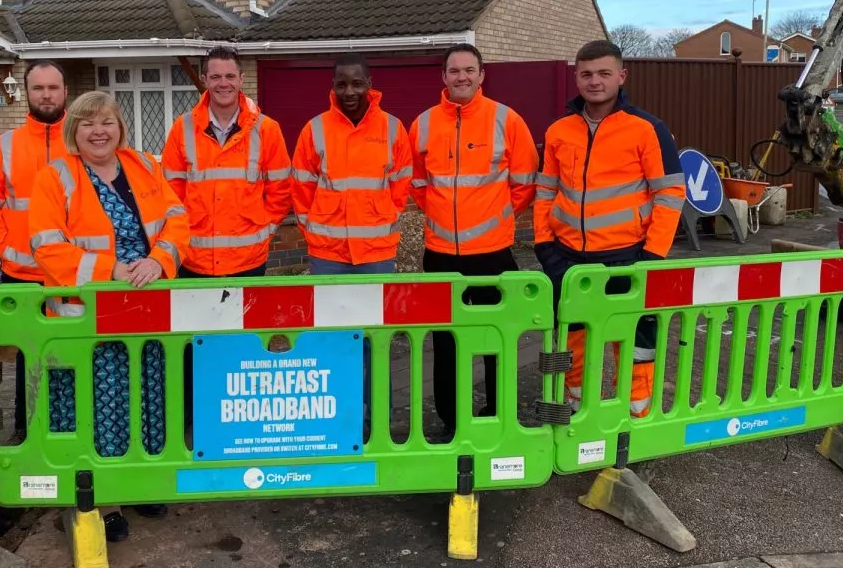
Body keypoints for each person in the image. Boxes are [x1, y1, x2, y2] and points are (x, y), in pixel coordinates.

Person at [29, 91, 189, 543]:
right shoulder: (55, 176)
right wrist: (110, 270)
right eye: (87, 124)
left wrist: (160, 259)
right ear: (72, 131)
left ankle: (140, 483)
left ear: (120, 127)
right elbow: (47, 245)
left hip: (144, 306)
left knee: (147, 396)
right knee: (99, 407)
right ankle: (102, 498)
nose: (99, 131)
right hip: (87, 316)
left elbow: (178, 218)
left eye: (107, 122)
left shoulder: (144, 167)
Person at [533, 39, 685, 417]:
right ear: (576, 78)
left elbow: (670, 194)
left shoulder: (649, 129)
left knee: (634, 342)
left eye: (603, 73)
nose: (595, 81)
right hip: (568, 260)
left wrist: (651, 256)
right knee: (571, 341)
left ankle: (634, 418)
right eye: (586, 74)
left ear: (622, 75)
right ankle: (572, 416)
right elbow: (545, 191)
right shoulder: (558, 131)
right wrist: (543, 246)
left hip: (628, 257)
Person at [408, 43, 538, 436]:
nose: (461, 77)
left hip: (493, 255)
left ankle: (498, 413)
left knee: (496, 340)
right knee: (446, 344)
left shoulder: (506, 120)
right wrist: (440, 216)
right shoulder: (424, 124)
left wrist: (496, 219)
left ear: (482, 75)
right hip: (441, 254)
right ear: (443, 77)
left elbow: (525, 182)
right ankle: (452, 419)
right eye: (454, 70)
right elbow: (417, 183)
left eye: (469, 70)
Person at [0, 59, 68, 437]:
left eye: (53, 88)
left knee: (70, 355)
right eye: (38, 88)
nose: (46, 95)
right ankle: (24, 432)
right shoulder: (3, 147)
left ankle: (67, 431)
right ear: (25, 93)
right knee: (26, 359)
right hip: (21, 275)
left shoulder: (82, 141)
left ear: (65, 92)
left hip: (71, 276)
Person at [161, 45, 291, 279]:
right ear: (205, 80)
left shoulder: (267, 130)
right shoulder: (182, 128)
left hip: (248, 260)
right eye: (216, 77)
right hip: (193, 258)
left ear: (241, 79)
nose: (224, 83)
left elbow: (281, 193)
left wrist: (263, 230)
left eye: (230, 76)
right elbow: (170, 193)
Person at [292, 53, 412, 276]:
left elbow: (400, 186)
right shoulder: (314, 129)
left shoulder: (393, 128)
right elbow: (301, 188)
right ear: (333, 86)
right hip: (327, 253)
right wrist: (312, 231)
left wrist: (383, 217)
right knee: (328, 312)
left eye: (357, 84)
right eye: (342, 85)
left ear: (369, 83)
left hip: (377, 251)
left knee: (376, 311)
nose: (349, 92)